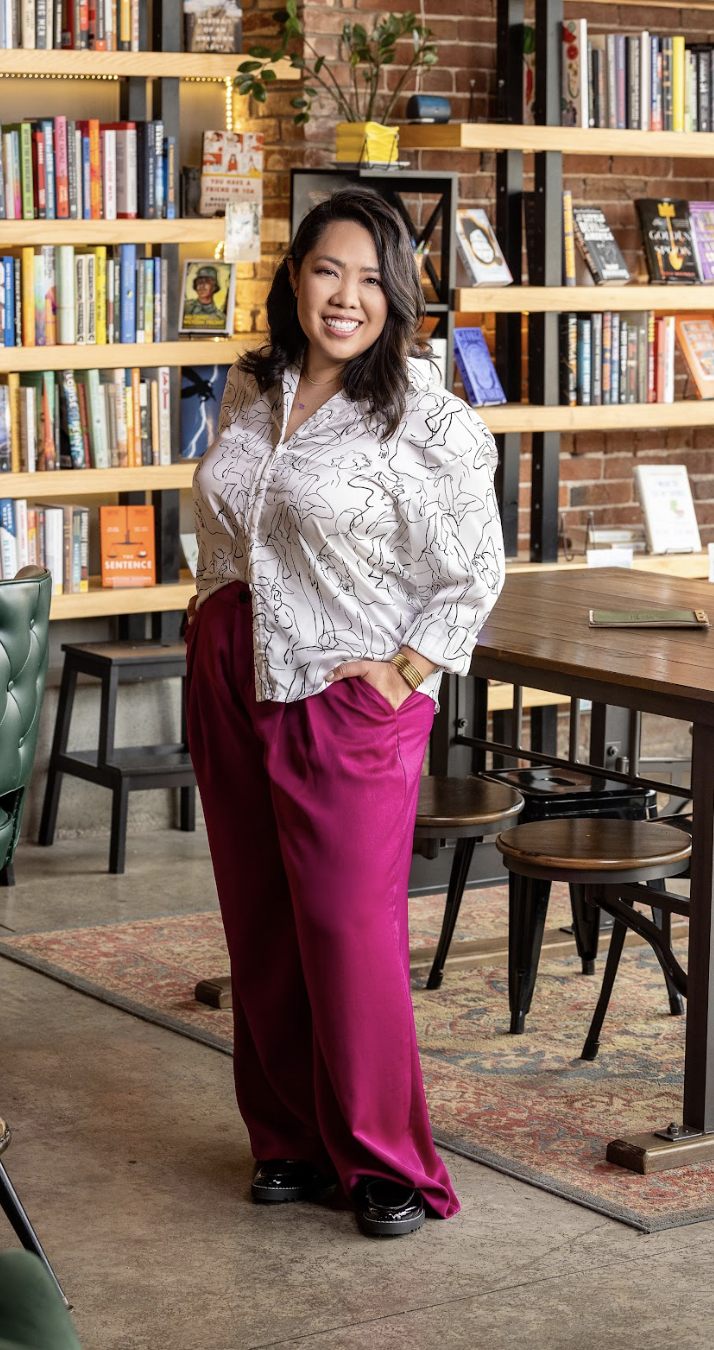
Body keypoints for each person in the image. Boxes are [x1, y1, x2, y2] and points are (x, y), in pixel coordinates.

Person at [185, 187, 505, 1238]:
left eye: (373, 279)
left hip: (346, 690)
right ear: (293, 275)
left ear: (399, 296)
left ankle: (381, 1160)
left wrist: (405, 670)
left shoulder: (425, 416)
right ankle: (283, 1137)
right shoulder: (251, 385)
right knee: (260, 919)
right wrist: (211, 624)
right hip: (233, 671)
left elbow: (475, 568)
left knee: (346, 928)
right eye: (328, 269)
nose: (347, 296)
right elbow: (231, 524)